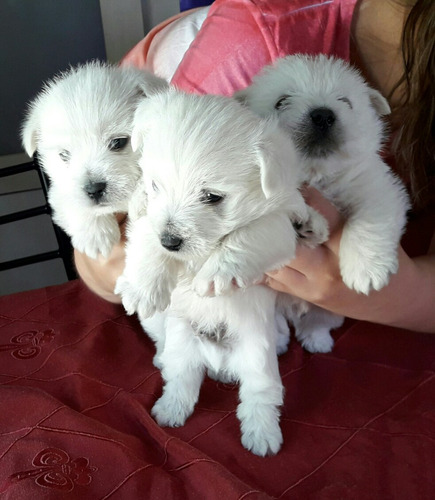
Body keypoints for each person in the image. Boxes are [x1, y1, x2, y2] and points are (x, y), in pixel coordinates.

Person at [74, 0, 435, 332]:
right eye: (283, 103)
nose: (321, 118)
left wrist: (406, 296)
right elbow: (110, 254)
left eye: (344, 102)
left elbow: (380, 202)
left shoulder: (358, 170)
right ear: (239, 107)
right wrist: (127, 262)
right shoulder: (251, 43)